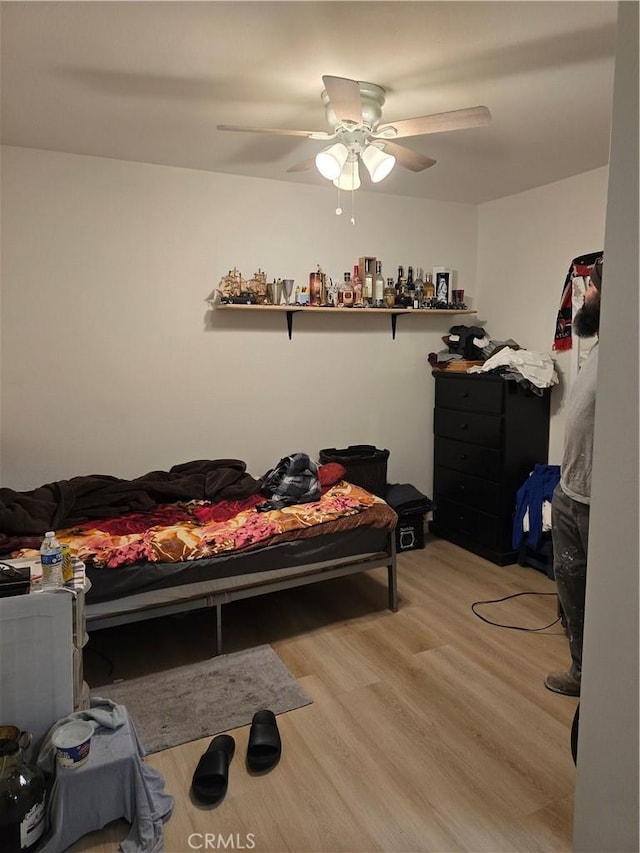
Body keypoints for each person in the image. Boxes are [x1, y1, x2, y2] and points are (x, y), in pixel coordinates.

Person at [545, 256, 603, 696]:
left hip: (599, 502)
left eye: (594, 289)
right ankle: (582, 673)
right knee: (572, 594)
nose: (586, 295)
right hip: (571, 490)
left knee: (596, 598)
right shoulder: (602, 349)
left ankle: (598, 682)